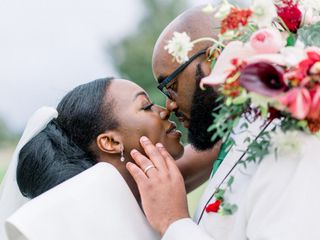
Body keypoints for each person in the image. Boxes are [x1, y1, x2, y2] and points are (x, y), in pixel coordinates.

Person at [126, 5, 320, 240]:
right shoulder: (243, 133)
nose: (169, 106)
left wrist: (173, 222)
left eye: (171, 86)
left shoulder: (292, 141)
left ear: (215, 58)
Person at [0, 77, 219, 239]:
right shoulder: (91, 221)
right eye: (146, 106)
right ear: (111, 143)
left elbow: (211, 152)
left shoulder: (148, 189)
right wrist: (175, 222)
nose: (164, 111)